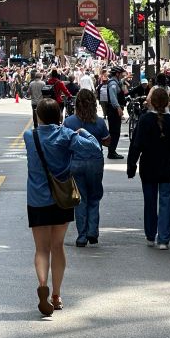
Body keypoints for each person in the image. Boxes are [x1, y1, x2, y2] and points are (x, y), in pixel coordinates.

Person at [24, 98, 101, 315]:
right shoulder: (66, 135)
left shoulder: (30, 136)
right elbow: (95, 149)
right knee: (57, 246)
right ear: (59, 116)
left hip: (37, 199)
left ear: (38, 116)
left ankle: (42, 285)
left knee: (41, 249)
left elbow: (38, 130)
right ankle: (56, 295)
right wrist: (81, 133)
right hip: (62, 198)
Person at [126, 87, 170, 249]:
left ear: (151, 101)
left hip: (148, 166)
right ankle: (163, 238)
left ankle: (151, 234)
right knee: (166, 202)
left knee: (150, 202)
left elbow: (136, 144)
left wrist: (131, 165)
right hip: (167, 167)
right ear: (166, 102)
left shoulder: (144, 120)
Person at [63, 89, 110, 247]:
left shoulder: (69, 122)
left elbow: (63, 142)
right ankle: (92, 231)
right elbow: (107, 141)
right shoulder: (99, 122)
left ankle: (81, 236)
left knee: (81, 199)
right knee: (94, 197)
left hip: (76, 162)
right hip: (95, 162)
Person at [105, 67, 126, 160]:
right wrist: (118, 107)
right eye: (121, 73)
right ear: (117, 74)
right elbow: (113, 97)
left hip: (114, 110)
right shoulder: (113, 84)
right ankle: (111, 152)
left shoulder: (116, 82)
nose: (122, 75)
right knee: (114, 132)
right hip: (113, 111)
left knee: (115, 131)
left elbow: (122, 85)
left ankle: (112, 151)